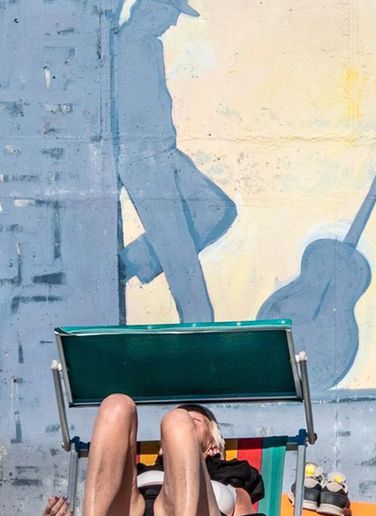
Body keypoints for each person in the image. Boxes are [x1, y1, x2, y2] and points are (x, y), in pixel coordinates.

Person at [43, 395, 300, 516]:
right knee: (117, 404)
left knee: (175, 417)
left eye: (195, 422)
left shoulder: (230, 472)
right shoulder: (142, 471)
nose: (185, 424)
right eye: (175, 433)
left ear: (212, 445)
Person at [114, 0, 237, 322]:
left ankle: (130, 262)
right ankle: (200, 325)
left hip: (166, 149)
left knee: (219, 209)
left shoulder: (151, 47)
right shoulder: (118, 47)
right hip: (140, 157)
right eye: (171, 15)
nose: (173, 24)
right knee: (178, 249)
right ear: (151, 9)